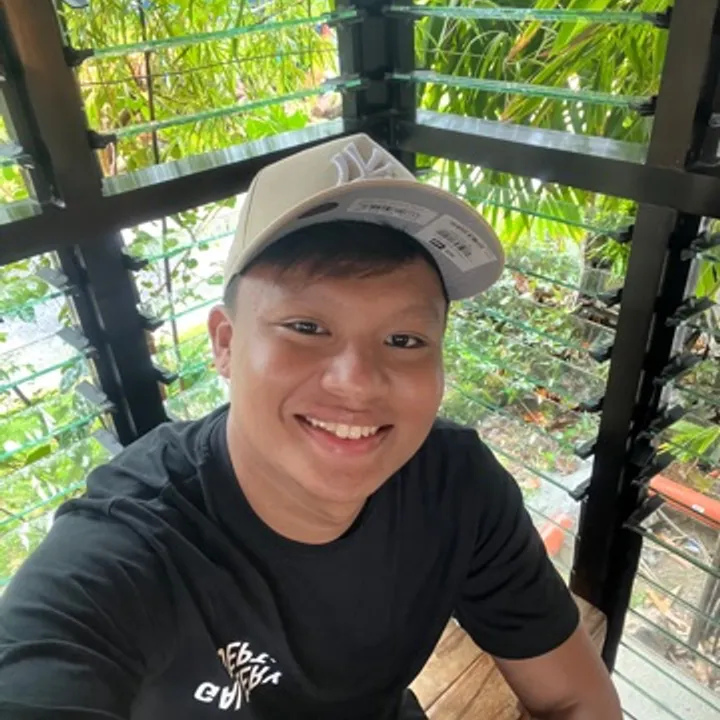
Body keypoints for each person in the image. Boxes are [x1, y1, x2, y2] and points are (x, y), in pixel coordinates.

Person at [0, 135, 622, 719]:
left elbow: (576, 697)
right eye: (306, 328)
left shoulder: (453, 485)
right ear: (225, 343)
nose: (358, 382)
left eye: (404, 339)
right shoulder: (130, 549)